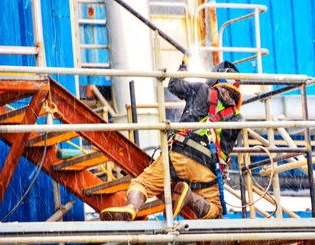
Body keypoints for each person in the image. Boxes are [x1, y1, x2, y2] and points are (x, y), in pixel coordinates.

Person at [100, 60, 243, 220]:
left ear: (213, 78)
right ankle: (190, 197)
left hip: (178, 157)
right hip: (205, 170)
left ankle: (131, 207)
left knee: (141, 184)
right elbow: (224, 154)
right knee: (215, 209)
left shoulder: (201, 89)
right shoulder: (238, 118)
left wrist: (184, 64)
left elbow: (174, 85)